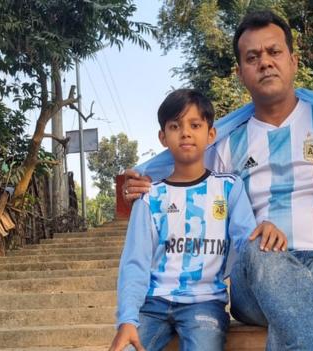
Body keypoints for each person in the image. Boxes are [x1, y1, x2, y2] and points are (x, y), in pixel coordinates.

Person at [124, 10, 313, 351]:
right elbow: (180, 179)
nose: (265, 62)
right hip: (257, 275)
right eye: (253, 57)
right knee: (262, 250)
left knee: (303, 311)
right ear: (240, 73)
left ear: (293, 61)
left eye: (274, 52)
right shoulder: (225, 144)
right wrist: (142, 184)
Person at [109, 89, 287, 351]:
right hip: (152, 304)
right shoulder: (150, 197)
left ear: (210, 134)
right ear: (162, 137)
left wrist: (264, 229)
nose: (185, 133)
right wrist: (127, 319)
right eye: (174, 126)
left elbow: (245, 241)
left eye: (195, 125)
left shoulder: (228, 189)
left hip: (204, 304)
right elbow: (135, 263)